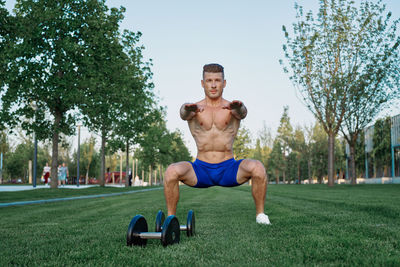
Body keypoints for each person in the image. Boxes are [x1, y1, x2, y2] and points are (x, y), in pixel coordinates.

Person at [164, 63, 271, 224]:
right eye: (209, 80)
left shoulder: (232, 107)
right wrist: (185, 108)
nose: (213, 85)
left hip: (229, 168)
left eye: (217, 80)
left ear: (224, 83)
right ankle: (170, 219)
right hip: (201, 170)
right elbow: (183, 113)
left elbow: (242, 113)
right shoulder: (194, 108)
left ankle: (261, 216)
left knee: (258, 167)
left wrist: (240, 106)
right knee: (171, 171)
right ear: (202, 83)